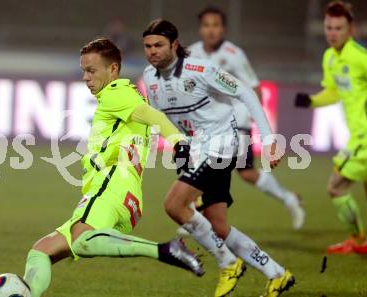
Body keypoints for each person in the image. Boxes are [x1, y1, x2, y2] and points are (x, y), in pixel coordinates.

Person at [23, 38, 204, 297]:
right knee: (41, 251)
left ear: (113, 69)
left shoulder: (116, 93)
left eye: (92, 70)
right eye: (83, 70)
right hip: (122, 194)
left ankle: (166, 250)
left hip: (111, 187)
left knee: (83, 242)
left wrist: (179, 144)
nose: (85, 77)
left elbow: (156, 117)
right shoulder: (125, 95)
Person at [142, 19, 295, 297]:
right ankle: (277, 274)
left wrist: (269, 140)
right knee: (218, 226)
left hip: (221, 145)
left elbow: (246, 93)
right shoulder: (149, 78)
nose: (152, 51)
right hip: (195, 149)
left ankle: (227, 263)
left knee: (175, 204)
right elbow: (161, 120)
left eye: (159, 45)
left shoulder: (201, 69)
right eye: (148, 46)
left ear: (174, 45)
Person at [187, 6, 305, 230]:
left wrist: (256, 120)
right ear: (200, 29)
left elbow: (254, 87)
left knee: (212, 171)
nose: (211, 30)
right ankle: (289, 198)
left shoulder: (234, 54)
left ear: (223, 29)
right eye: (207, 25)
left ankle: (194, 219)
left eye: (216, 25)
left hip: (236, 123)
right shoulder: (192, 53)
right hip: (209, 125)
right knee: (242, 173)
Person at [295, 1, 367, 254]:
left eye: (338, 28)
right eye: (329, 27)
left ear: (350, 29)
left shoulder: (360, 58)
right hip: (358, 136)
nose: (332, 33)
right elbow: (335, 91)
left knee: (335, 187)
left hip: (364, 138)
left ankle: (358, 241)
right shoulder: (330, 57)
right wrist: (312, 101)